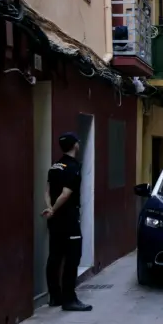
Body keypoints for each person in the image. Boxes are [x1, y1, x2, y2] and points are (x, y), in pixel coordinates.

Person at [42, 133, 92, 312]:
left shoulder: (54, 166)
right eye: (78, 142)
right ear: (75, 145)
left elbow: (47, 191)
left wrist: (49, 208)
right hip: (68, 218)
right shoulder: (73, 166)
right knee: (73, 257)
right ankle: (69, 299)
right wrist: (54, 209)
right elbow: (65, 193)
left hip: (54, 220)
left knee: (54, 256)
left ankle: (55, 296)